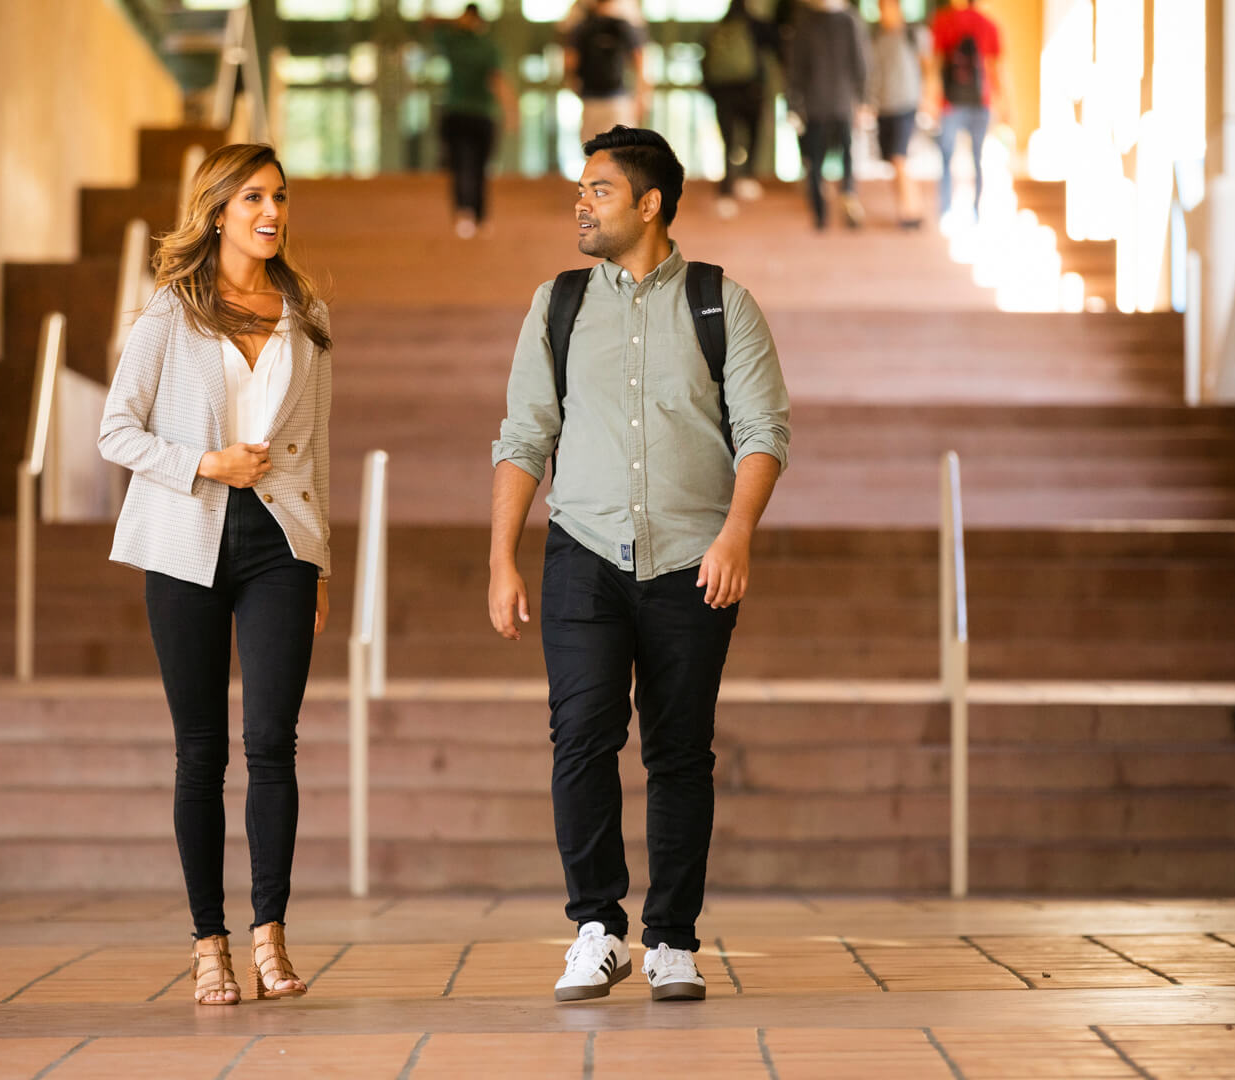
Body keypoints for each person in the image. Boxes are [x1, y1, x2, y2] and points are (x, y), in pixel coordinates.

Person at [488, 126, 791, 1003]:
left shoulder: (721, 302)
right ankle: (596, 927)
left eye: (599, 190)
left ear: (650, 203)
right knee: (581, 737)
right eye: (580, 190)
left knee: (679, 751)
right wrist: (502, 559)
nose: (580, 203)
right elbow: (522, 436)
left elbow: (765, 431)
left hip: (694, 561)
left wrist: (737, 532)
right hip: (581, 553)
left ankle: (672, 941)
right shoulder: (558, 303)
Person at [98, 143, 333, 1008]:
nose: (271, 213)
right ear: (218, 209)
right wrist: (206, 462)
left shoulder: (303, 314)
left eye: (279, 197)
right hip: (185, 539)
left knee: (273, 743)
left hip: (281, 545)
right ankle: (210, 943)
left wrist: (322, 565)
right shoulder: (170, 314)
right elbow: (115, 432)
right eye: (254, 198)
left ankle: (270, 933)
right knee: (199, 753)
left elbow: (323, 452)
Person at [427, 3, 520, 239]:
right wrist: (510, 110)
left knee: (476, 167)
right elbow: (428, 21)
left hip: (480, 114)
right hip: (459, 113)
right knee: (463, 166)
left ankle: (477, 214)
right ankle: (466, 214)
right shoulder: (456, 42)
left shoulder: (484, 47)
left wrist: (509, 109)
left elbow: (497, 79)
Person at [784, 0, 871, 230]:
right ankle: (820, 213)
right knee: (816, 160)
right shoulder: (806, 23)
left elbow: (861, 63)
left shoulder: (849, 21)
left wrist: (863, 101)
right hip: (816, 106)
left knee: (845, 156)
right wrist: (793, 105)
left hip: (841, 105)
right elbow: (796, 69)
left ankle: (848, 196)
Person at [927, 0, 1008, 223]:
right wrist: (1004, 105)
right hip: (981, 102)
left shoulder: (944, 21)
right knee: (978, 158)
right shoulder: (989, 25)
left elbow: (935, 63)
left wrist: (930, 99)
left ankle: (945, 210)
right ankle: (976, 211)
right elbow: (995, 69)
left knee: (946, 158)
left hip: (950, 103)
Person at [702, 0, 776, 219]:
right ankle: (747, 177)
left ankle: (727, 187)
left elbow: (704, 63)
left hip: (723, 93)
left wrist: (713, 92)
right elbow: (777, 46)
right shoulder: (756, 25)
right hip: (750, 91)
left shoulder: (718, 27)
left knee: (728, 141)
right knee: (753, 134)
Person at [868, 0, 929, 229]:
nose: (884, 14)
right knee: (894, 162)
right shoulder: (878, 38)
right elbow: (873, 73)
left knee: (899, 158)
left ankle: (910, 211)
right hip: (884, 106)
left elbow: (927, 66)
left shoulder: (913, 34)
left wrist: (928, 97)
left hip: (906, 104)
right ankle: (910, 206)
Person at [564, 0, 651, 141]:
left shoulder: (583, 26)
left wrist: (573, 85)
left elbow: (570, 62)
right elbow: (640, 60)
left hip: (593, 100)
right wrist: (642, 96)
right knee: (621, 153)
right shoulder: (623, 25)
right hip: (617, 100)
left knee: (593, 150)